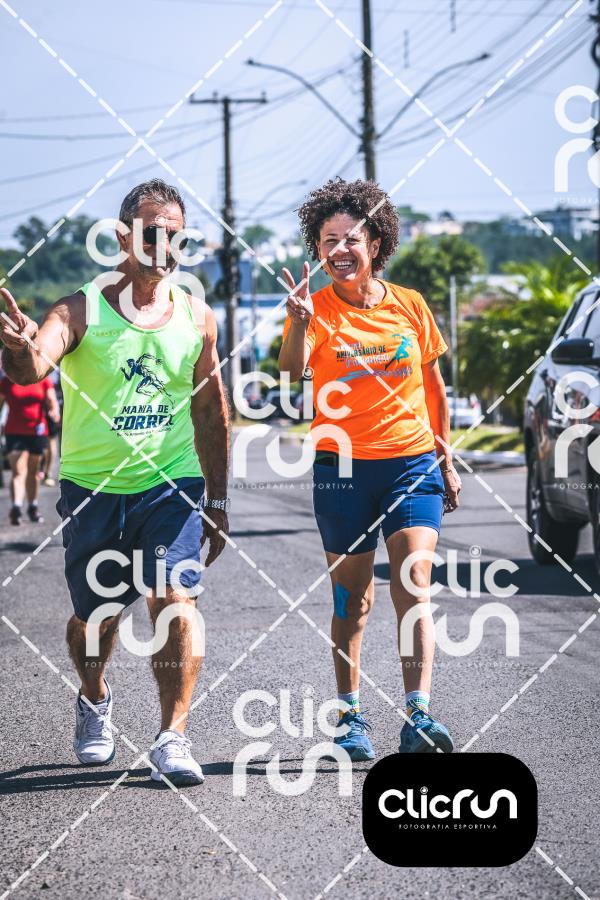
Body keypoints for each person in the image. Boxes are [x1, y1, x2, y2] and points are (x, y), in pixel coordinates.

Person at [0, 179, 229, 786]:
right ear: (123, 237)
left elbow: (211, 410)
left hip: (171, 484)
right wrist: (18, 349)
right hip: (93, 489)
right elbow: (32, 366)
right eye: (152, 233)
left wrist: (218, 498)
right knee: (95, 616)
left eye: (176, 236)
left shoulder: (196, 315)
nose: (165, 246)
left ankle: (173, 735)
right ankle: (95, 694)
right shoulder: (79, 310)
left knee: (175, 601)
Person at [278, 178, 461, 757]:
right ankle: (350, 715)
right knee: (351, 600)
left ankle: (418, 714)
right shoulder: (315, 310)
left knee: (414, 583)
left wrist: (445, 459)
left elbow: (434, 388)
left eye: (350, 239)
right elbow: (289, 374)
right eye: (327, 241)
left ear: (375, 243)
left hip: (411, 463)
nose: (339, 250)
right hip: (343, 469)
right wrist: (299, 322)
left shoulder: (410, 305)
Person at [0, 371, 60, 524]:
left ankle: (33, 507)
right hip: (14, 432)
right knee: (18, 471)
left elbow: (51, 400)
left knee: (33, 471)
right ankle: (16, 508)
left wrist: (54, 411)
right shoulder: (7, 381)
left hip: (37, 432)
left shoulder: (43, 380)